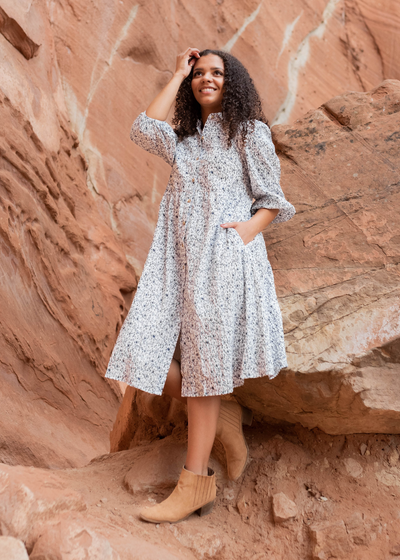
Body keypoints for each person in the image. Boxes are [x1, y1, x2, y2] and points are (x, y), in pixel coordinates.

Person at [105, 47, 296, 524]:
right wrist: (176, 73)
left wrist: (243, 237)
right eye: (200, 73)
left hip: (224, 263)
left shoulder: (248, 133)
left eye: (217, 73)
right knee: (143, 357)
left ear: (234, 83)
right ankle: (220, 414)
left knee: (204, 367)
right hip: (178, 263)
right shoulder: (183, 139)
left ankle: (194, 485)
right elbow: (142, 128)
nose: (206, 79)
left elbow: (271, 200)